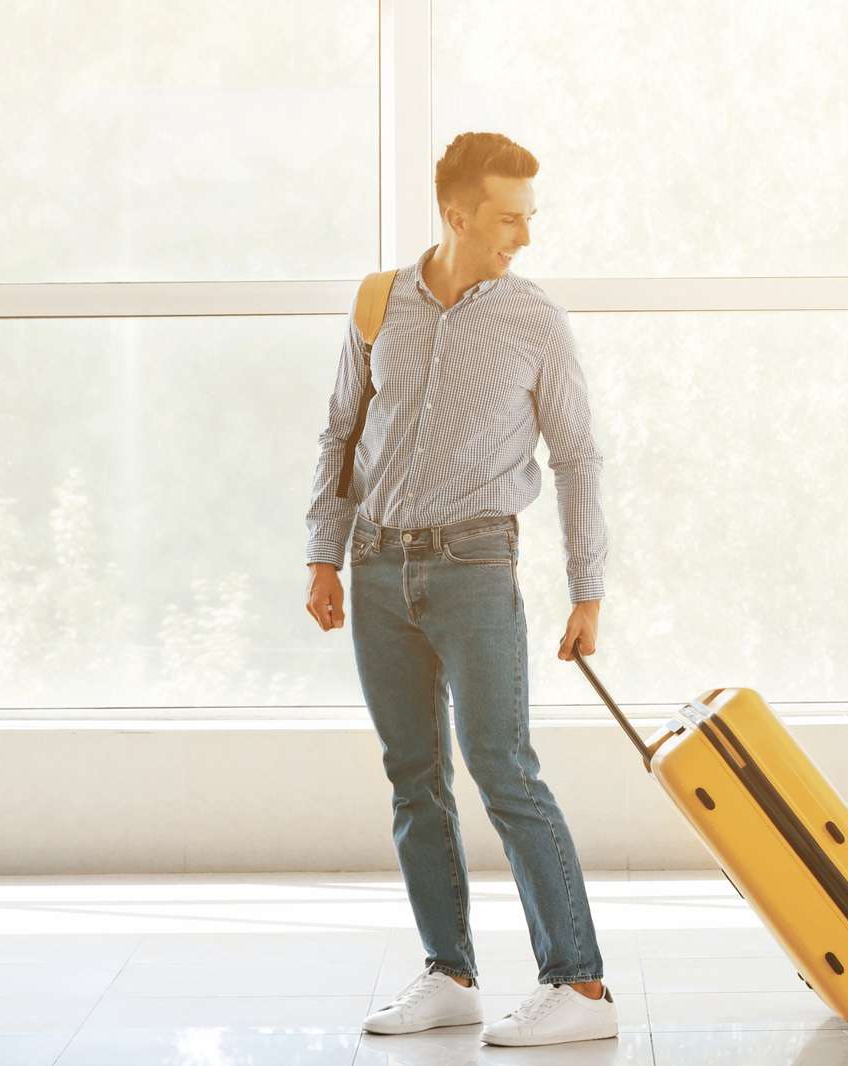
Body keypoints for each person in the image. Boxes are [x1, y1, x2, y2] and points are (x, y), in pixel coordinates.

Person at [302, 132, 616, 1047]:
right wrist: (324, 554)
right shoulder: (377, 302)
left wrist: (587, 589)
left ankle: (580, 986)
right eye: (509, 216)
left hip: (478, 563)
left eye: (529, 216)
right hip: (376, 565)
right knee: (415, 777)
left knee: (502, 768)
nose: (523, 234)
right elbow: (338, 434)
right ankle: (450, 972)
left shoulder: (534, 319)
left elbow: (578, 456)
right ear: (457, 212)